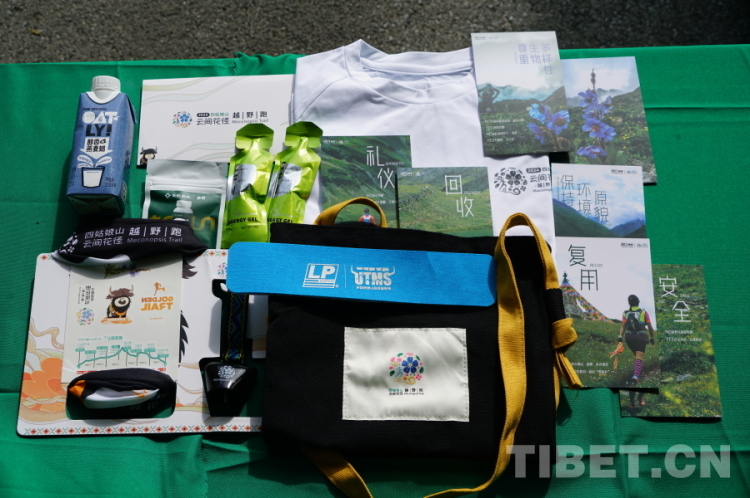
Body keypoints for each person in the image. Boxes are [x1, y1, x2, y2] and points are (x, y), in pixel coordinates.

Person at [617, 294, 655, 385]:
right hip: (640, 336)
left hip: (629, 337)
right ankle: (635, 377)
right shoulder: (643, 312)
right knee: (639, 357)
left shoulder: (625, 313)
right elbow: (650, 327)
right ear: (638, 302)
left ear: (629, 303)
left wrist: (620, 337)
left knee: (637, 356)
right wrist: (652, 337)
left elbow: (623, 326)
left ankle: (642, 375)